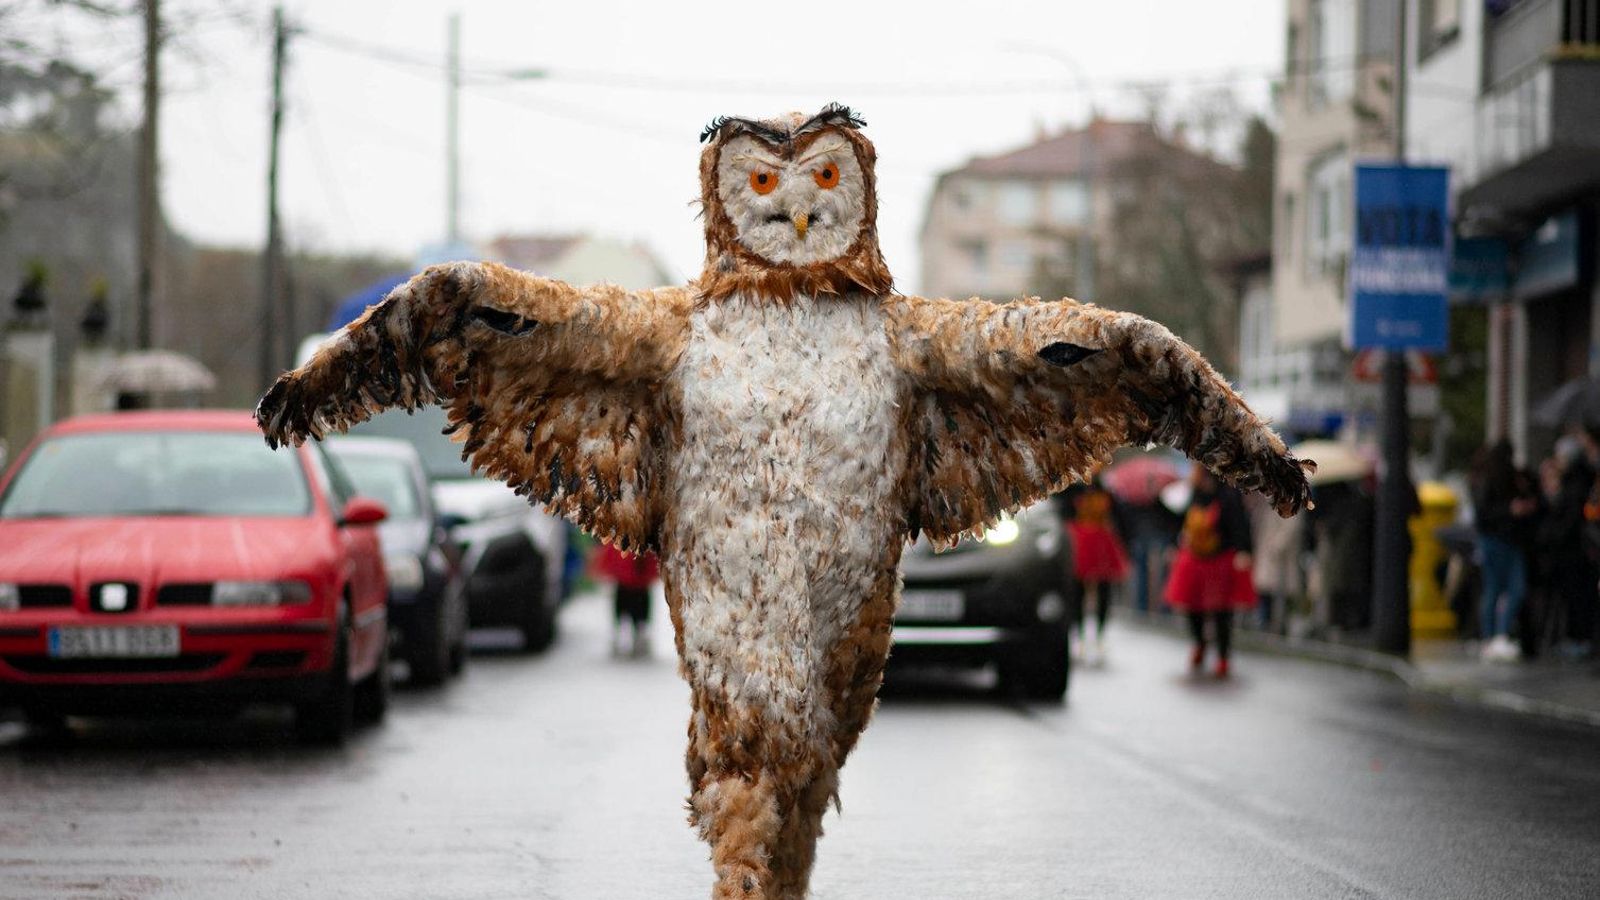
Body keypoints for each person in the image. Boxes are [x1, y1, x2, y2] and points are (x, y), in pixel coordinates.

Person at [1164, 467, 1255, 678]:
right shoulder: (1194, 494)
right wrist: (1174, 544)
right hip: (1195, 558)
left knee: (1222, 612)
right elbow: (1179, 521)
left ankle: (1223, 656)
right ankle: (1200, 643)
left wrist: (1243, 551)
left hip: (1220, 558)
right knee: (1192, 608)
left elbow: (1240, 525)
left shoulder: (1229, 495)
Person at [1469, 441, 1539, 662]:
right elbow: (1485, 513)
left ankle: (1492, 636)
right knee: (1510, 588)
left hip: (1498, 540)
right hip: (1501, 540)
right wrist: (1511, 510)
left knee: (1495, 589)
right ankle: (1497, 635)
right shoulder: (1494, 480)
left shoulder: (1492, 478)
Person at [1060, 479, 1129, 662]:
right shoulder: (1072, 489)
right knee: (1078, 592)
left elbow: (1120, 518)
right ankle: (1079, 635)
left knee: (1104, 591)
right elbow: (1064, 514)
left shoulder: (1107, 489)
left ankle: (1099, 634)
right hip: (1080, 542)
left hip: (1102, 545)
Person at [592, 541, 659, 658]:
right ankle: (624, 638)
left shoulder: (643, 540)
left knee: (639, 616)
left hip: (638, 585)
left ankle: (638, 639)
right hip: (626, 584)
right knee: (625, 614)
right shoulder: (619, 540)